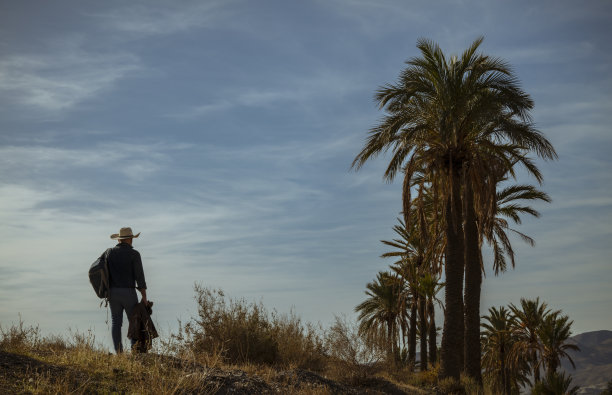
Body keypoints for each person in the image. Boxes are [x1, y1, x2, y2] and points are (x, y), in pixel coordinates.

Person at [107, 227, 148, 353]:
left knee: (116, 322)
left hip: (112, 292)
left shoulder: (109, 253)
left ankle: (119, 353)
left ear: (119, 239)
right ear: (130, 239)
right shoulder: (134, 254)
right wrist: (144, 296)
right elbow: (139, 277)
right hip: (128, 292)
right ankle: (134, 351)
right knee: (134, 322)